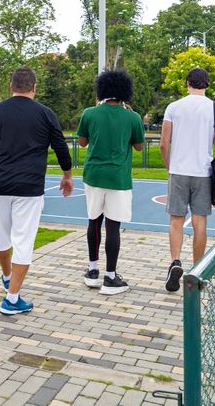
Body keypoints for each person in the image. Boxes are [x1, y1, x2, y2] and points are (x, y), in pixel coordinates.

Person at [0, 66, 74, 315]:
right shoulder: (45, 114)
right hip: (29, 187)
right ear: (34, 88)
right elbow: (60, 147)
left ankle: (7, 276)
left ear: (11, 86)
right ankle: (12, 299)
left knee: (1, 237)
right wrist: (67, 175)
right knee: (23, 242)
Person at [159, 67, 215, 292]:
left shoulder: (173, 107)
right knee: (200, 223)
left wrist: (169, 167)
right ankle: (197, 271)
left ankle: (175, 261)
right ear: (207, 84)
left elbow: (164, 143)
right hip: (203, 171)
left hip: (179, 170)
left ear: (187, 82)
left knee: (176, 220)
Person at [77, 69, 145, 295]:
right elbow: (139, 146)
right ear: (125, 91)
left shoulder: (89, 113)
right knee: (113, 226)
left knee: (94, 221)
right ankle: (110, 276)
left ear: (102, 89)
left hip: (94, 175)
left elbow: (82, 142)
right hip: (118, 177)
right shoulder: (133, 117)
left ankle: (92, 270)